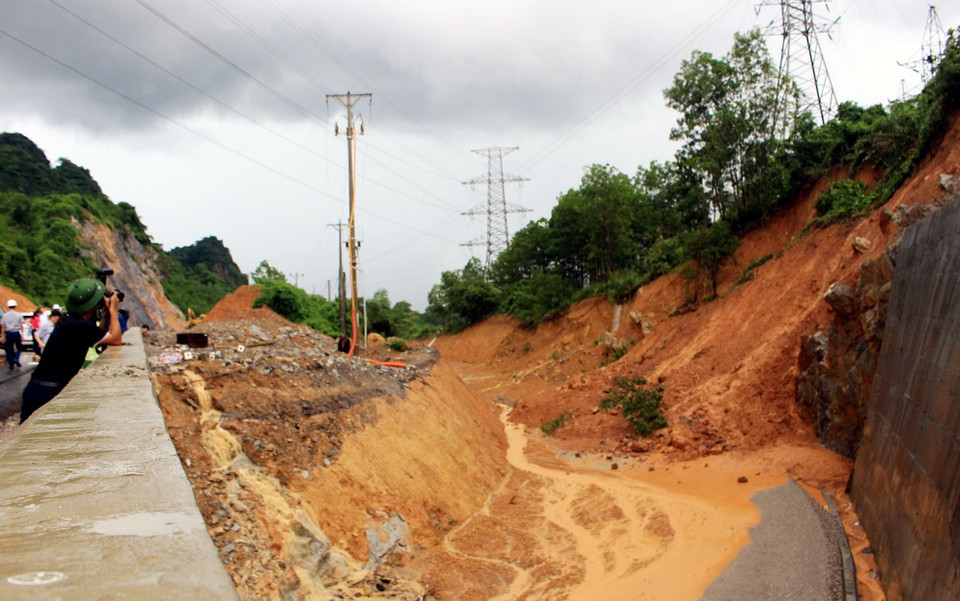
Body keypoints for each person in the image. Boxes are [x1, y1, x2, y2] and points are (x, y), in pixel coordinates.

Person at [20, 279, 123, 423]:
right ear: (93, 305)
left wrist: (105, 314)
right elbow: (116, 339)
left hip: (37, 388)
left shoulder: (68, 320)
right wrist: (112, 310)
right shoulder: (79, 326)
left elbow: (99, 335)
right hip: (49, 391)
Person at [1, 299, 24, 370]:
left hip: (8, 333)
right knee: (19, 347)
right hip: (16, 333)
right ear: (15, 306)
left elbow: (3, 326)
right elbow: (21, 325)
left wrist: (3, 336)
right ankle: (16, 358)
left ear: (8, 306)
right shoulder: (19, 315)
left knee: (9, 349)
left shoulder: (4, 315)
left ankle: (11, 364)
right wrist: (22, 334)